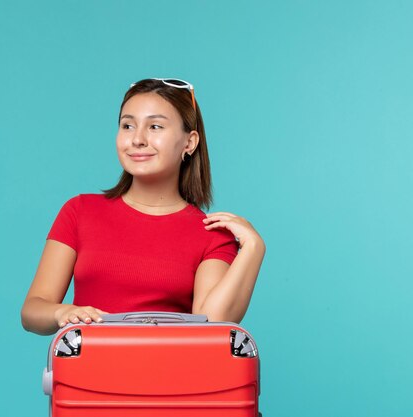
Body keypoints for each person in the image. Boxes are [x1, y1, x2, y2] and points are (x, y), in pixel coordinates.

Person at [21, 78, 265, 336]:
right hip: (86, 373)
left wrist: (254, 248)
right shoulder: (79, 211)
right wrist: (63, 313)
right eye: (127, 125)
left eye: (155, 126)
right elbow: (33, 310)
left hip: (171, 375)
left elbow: (212, 325)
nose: (137, 139)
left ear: (189, 143)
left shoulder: (212, 234)